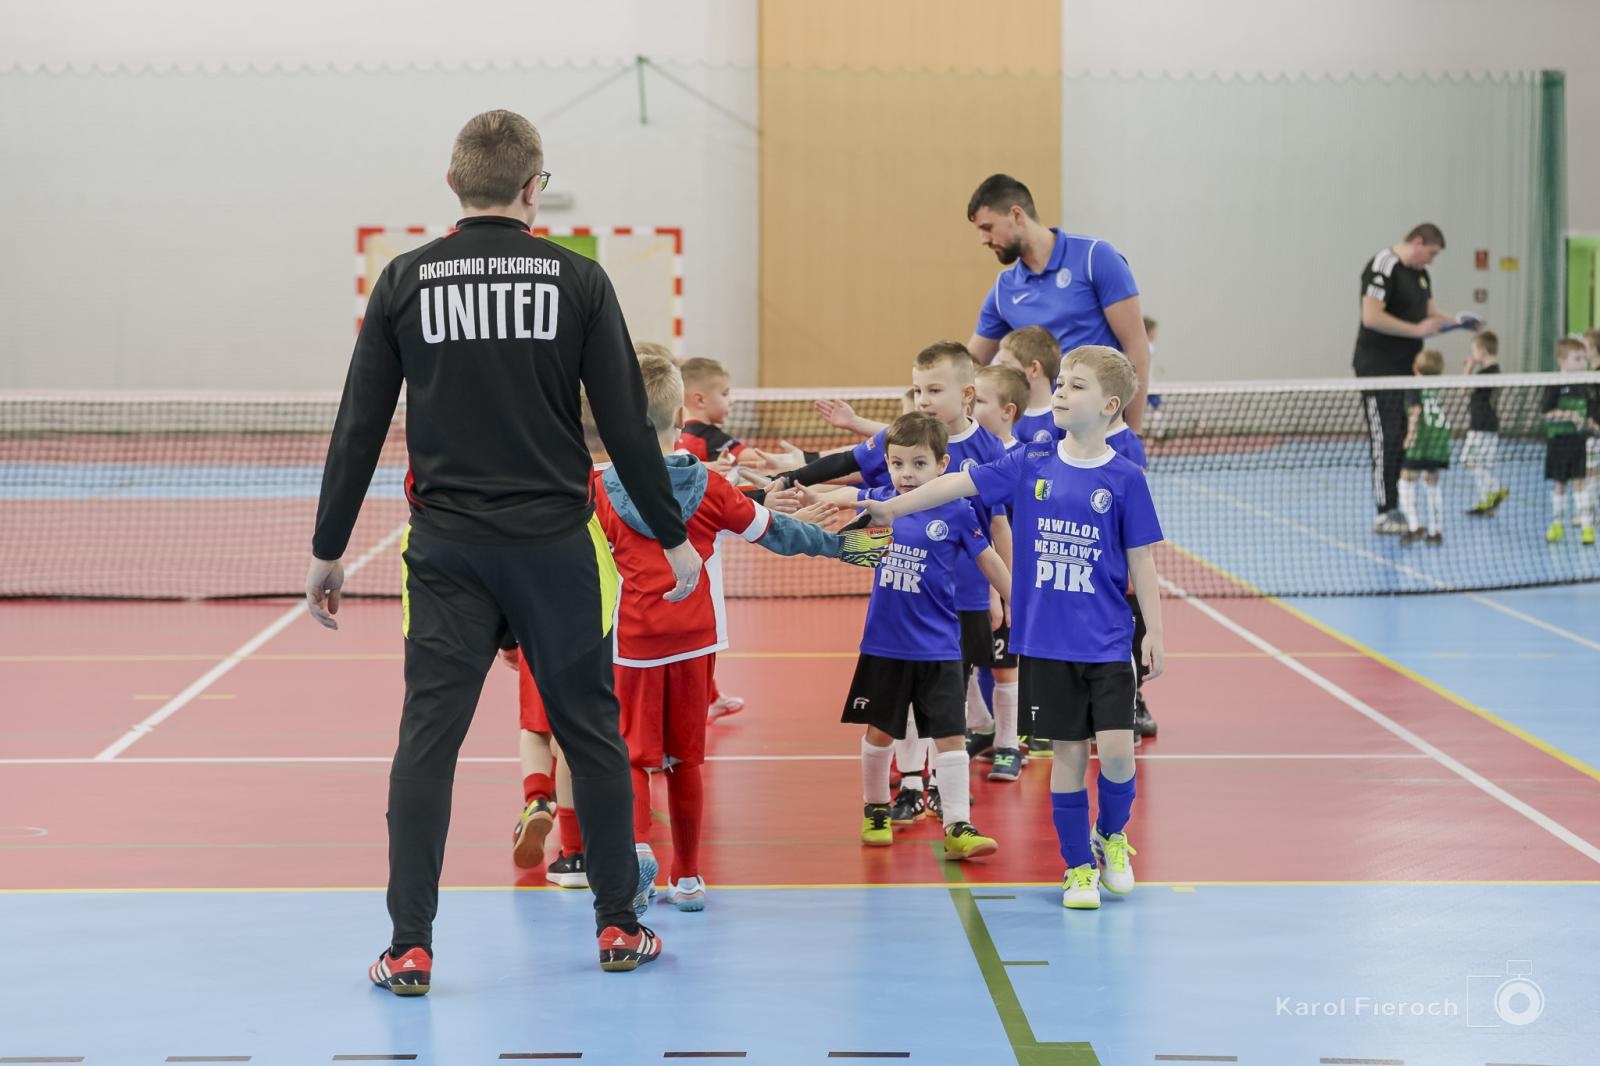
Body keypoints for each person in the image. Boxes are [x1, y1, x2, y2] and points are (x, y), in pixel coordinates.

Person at [305, 110, 702, 991]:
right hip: (557, 551)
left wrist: (329, 547)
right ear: (536, 189)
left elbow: (359, 423)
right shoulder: (581, 280)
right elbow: (630, 427)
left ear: (453, 185)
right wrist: (671, 535)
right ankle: (617, 928)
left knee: (426, 745)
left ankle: (410, 943)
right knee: (591, 737)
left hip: (444, 553)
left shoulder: (404, 280)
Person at [861, 345, 1166, 911]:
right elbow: (958, 486)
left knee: (1119, 754)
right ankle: (1077, 868)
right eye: (1063, 382)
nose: (1061, 392)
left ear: (1110, 406)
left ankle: (1113, 836)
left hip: (1106, 640)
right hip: (1046, 644)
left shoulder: (1125, 478)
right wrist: (891, 510)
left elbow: (1142, 559)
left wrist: (1153, 632)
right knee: (1070, 758)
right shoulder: (1031, 460)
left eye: (1077, 386)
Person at [774, 343, 1012, 824]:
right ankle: (909, 784)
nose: (923, 399)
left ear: (966, 395)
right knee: (903, 702)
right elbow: (850, 475)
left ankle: (951, 795)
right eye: (919, 389)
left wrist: (999, 594)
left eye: (934, 390)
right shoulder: (904, 443)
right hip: (909, 603)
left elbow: (996, 526)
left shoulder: (987, 449)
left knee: (947, 699)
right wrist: (790, 480)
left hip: (964, 598)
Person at [964, 174, 1153, 431]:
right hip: (1038, 434)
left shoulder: (1095, 258)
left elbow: (1137, 348)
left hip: (1098, 429)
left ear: (1016, 215)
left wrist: (1132, 433)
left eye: (987, 227)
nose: (983, 240)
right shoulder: (1002, 290)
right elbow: (970, 364)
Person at [1352, 224, 1474, 535]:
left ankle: (1402, 507)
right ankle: (1385, 511)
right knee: (1387, 438)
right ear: (1418, 242)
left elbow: (1430, 315)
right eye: (1430, 253)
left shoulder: (1420, 275)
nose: (1431, 261)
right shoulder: (1383, 266)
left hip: (1410, 369)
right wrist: (1416, 331)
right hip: (1378, 369)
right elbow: (1371, 316)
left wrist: (1460, 322)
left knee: (1406, 435)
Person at [969, 365, 1028, 780]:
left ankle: (1010, 743)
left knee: (1004, 663)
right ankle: (983, 728)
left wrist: (1006, 590)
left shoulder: (1022, 460)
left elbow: (1000, 526)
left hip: (1007, 576)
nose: (972, 408)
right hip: (966, 579)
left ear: (1007, 410)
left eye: (981, 402)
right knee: (964, 662)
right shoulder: (965, 451)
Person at [1542, 338, 1600, 544]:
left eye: (1584, 358)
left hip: (1578, 442)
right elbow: (1546, 413)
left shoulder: (1585, 386)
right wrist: (1569, 415)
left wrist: (1591, 425)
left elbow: (1589, 416)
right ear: (1563, 361)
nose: (1583, 362)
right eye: (1577, 358)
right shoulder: (1555, 384)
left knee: (1580, 484)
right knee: (1559, 485)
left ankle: (1587, 527)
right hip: (1558, 442)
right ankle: (1557, 524)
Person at [1398, 349, 1450, 546]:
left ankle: (1414, 526)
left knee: (1405, 480)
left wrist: (1410, 436)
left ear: (1415, 367)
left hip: (1422, 439)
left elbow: (1415, 410)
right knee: (1432, 481)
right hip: (1440, 439)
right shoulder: (1435, 387)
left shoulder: (1414, 385)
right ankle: (1436, 531)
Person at [993, 325, 1064, 446]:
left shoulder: (1063, 416)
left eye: (1005, 365)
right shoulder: (1001, 413)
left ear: (1034, 369)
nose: (998, 371)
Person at [1462, 331, 1508, 516]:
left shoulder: (1485, 373)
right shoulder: (1496, 370)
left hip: (1481, 427)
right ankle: (1488, 504)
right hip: (1490, 426)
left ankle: (1497, 489)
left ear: (1481, 349)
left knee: (1469, 461)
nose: (1473, 354)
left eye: (1474, 350)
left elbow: (1463, 390)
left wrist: (1468, 368)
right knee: (1481, 465)